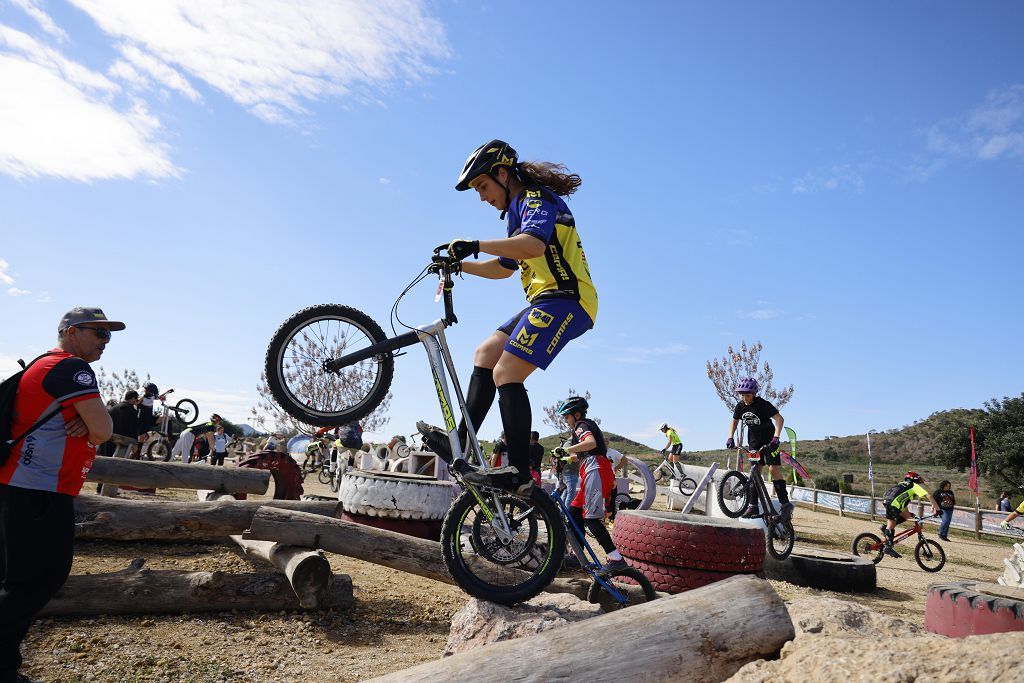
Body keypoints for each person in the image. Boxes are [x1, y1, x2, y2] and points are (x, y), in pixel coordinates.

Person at [417, 140, 597, 494]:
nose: (482, 197)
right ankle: (462, 442)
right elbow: (504, 267)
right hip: (544, 301)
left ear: (503, 174)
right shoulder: (517, 213)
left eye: (483, 186)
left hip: (568, 299)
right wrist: (459, 264)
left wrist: (475, 244)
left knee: (506, 372)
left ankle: (519, 472)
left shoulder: (534, 198)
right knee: (486, 353)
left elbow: (533, 245)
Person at [1, 306, 121, 683]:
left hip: (22, 486)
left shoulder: (45, 363)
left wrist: (86, 420)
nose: (106, 342)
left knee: (20, 579)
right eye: (99, 333)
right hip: (38, 489)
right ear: (71, 332)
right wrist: (90, 422)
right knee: (41, 577)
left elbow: (93, 425)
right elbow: (103, 430)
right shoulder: (72, 368)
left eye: (109, 335)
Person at [550, 396, 626, 574]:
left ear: (576, 415)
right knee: (574, 513)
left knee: (590, 519)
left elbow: (590, 443)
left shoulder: (581, 425)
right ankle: (578, 556)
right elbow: (585, 453)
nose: (566, 421)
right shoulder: (584, 426)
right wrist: (567, 458)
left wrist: (565, 449)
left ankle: (616, 559)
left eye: (567, 417)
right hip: (593, 470)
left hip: (597, 470)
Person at [725, 377, 793, 521]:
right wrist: (730, 437)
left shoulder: (763, 404)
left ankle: (785, 504)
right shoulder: (740, 406)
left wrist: (776, 437)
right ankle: (753, 506)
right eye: (742, 395)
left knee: (773, 469)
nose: (745, 398)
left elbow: (779, 419)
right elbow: (734, 421)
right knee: (755, 471)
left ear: (754, 394)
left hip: (770, 440)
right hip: (754, 442)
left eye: (748, 395)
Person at [881, 471, 939, 558]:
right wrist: (938, 510)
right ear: (916, 480)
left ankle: (886, 528)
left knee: (907, 516)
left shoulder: (902, 483)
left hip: (888, 500)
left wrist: (909, 513)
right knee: (891, 523)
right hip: (893, 503)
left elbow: (901, 499)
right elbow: (929, 496)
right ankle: (888, 546)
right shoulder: (914, 486)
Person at [98, 390, 140, 457]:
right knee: (118, 462)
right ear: (133, 398)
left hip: (107, 441)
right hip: (121, 444)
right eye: (136, 399)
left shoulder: (113, 408)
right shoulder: (132, 411)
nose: (136, 401)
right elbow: (133, 428)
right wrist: (135, 443)